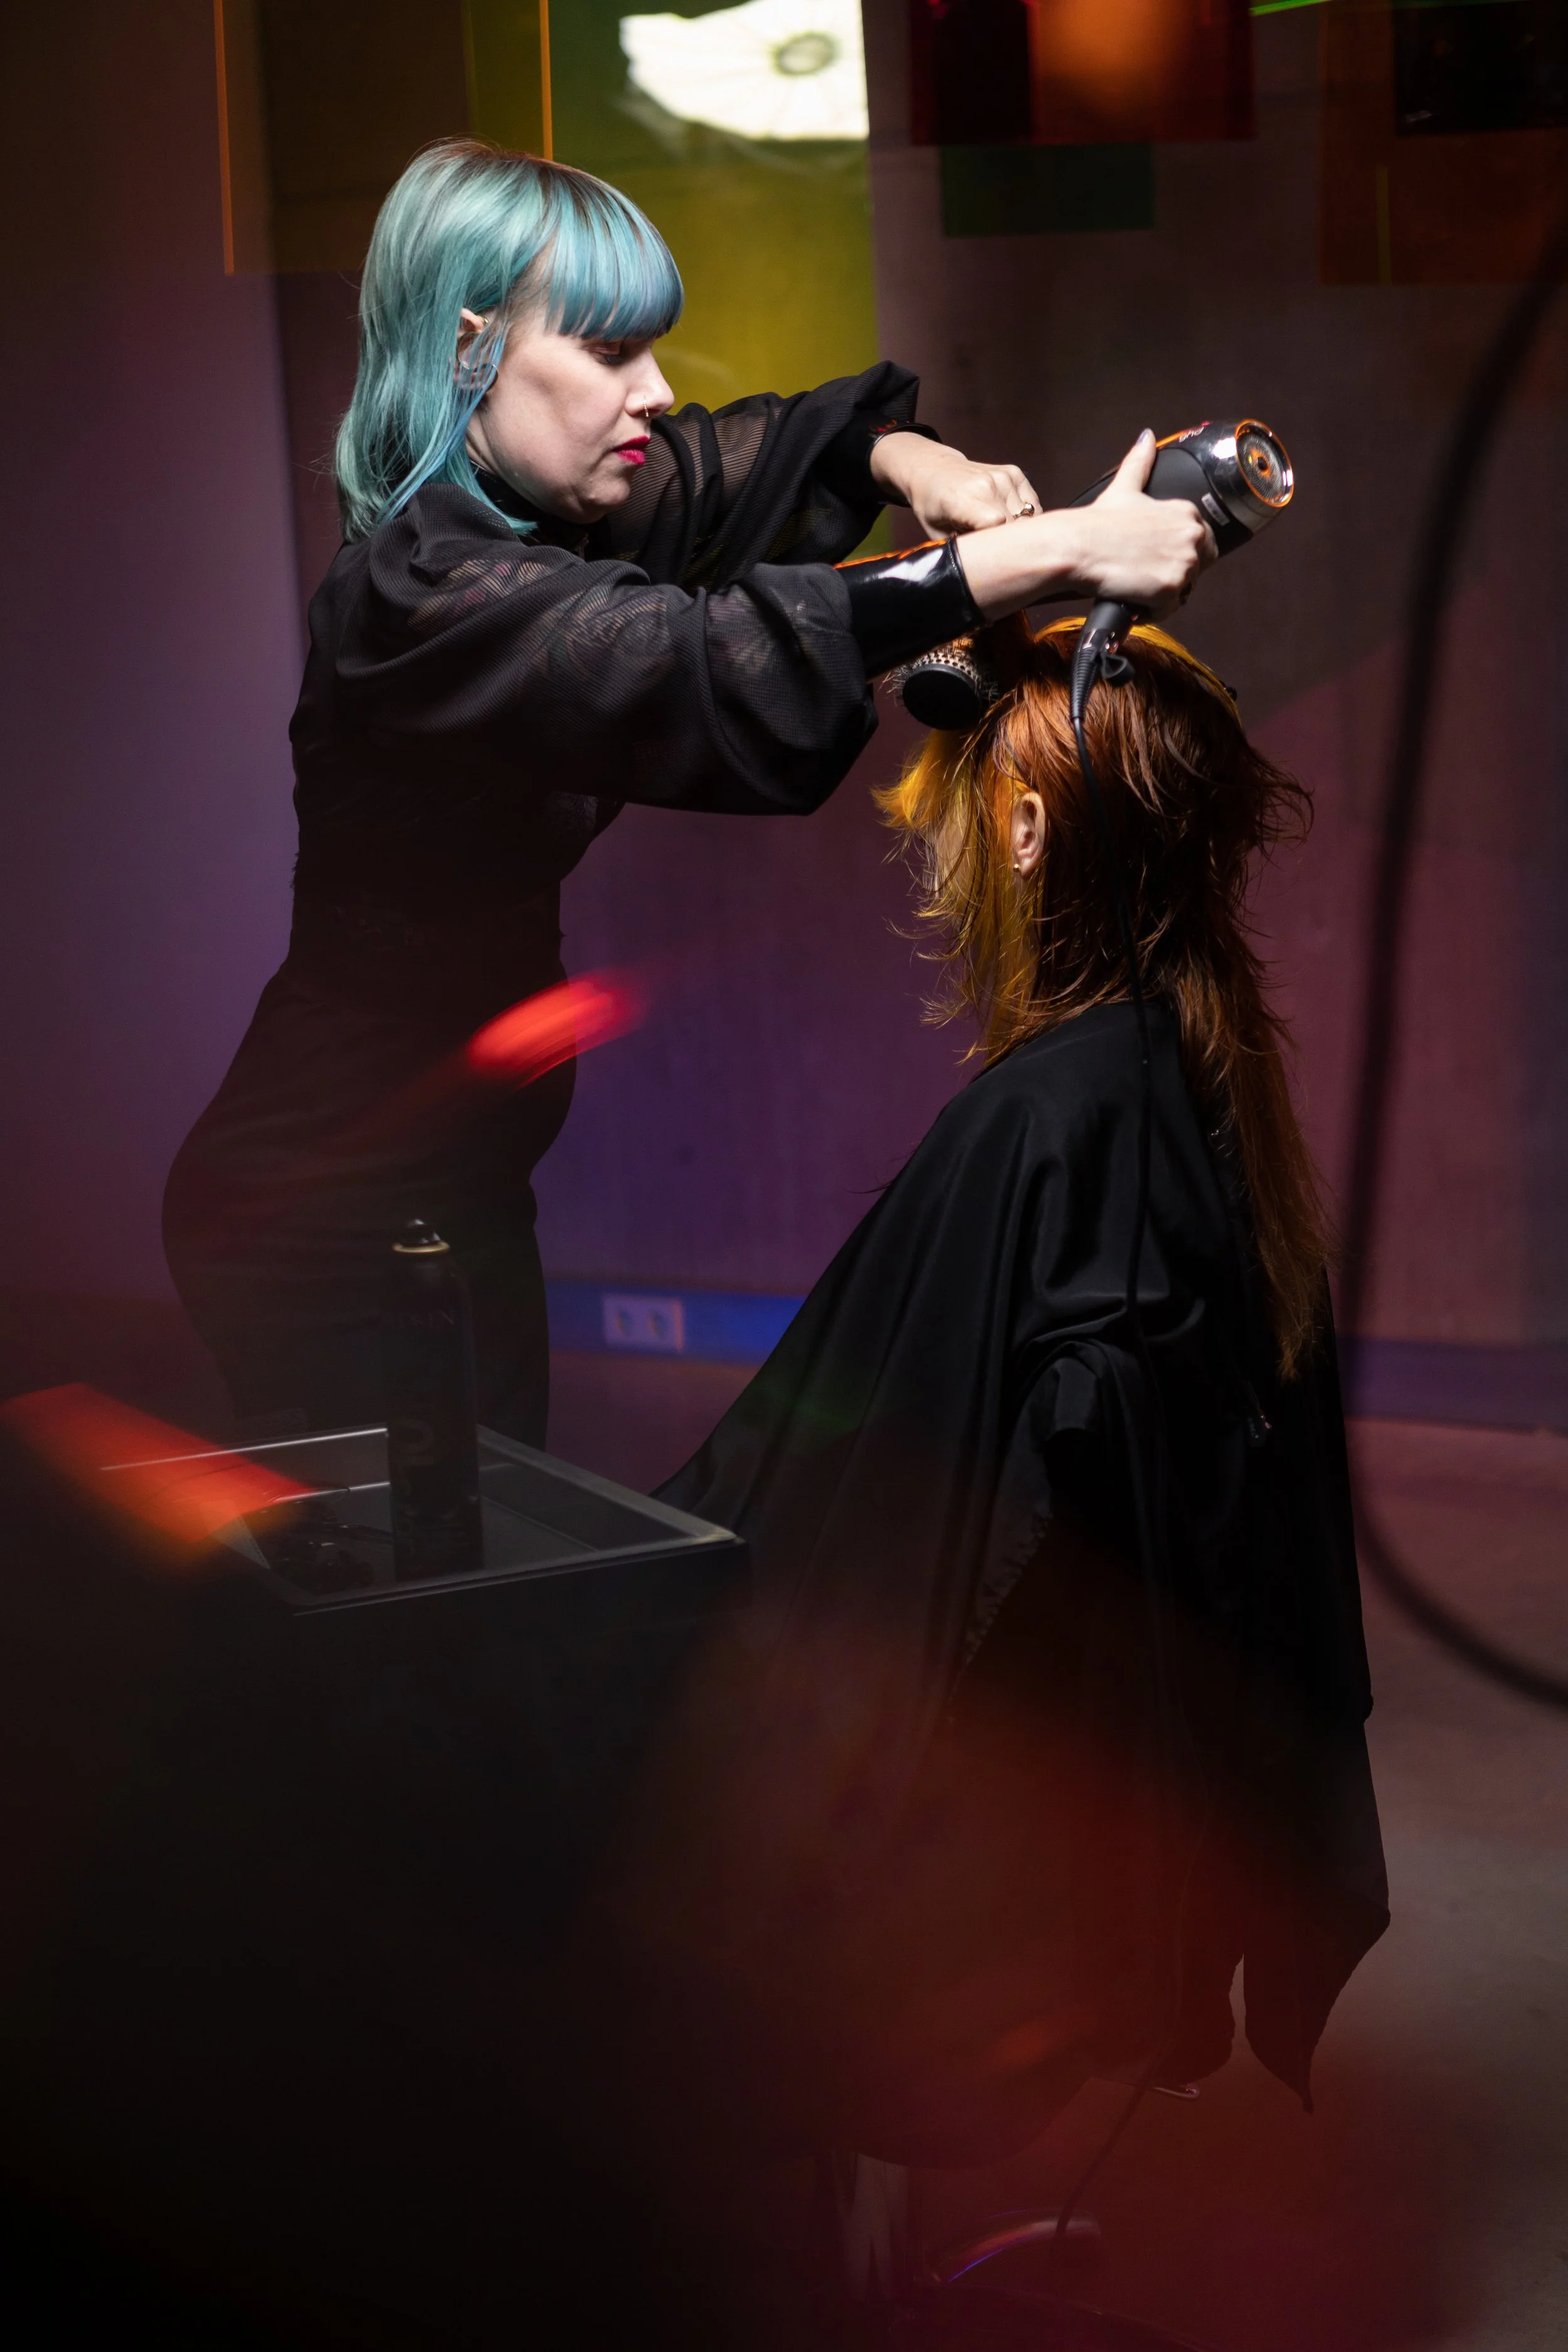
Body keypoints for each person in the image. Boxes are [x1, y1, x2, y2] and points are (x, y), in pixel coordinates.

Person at [162, 139, 1213, 1443]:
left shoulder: (563, 514)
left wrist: (910, 468)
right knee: (414, 1612)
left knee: (488, 1577)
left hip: (461, 1179)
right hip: (323, 1207)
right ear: (468, 349)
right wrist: (1043, 554)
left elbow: (757, 452)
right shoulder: (417, 598)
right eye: (607, 355)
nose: (652, 392)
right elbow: (691, 657)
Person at [589, 617, 1387, 2170]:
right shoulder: (1211, 1098)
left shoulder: (1035, 1129)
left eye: (961, 821)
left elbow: (839, 1529)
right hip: (1109, 1863)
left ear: (1022, 830)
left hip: (975, 1873)